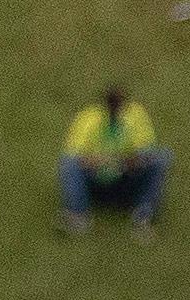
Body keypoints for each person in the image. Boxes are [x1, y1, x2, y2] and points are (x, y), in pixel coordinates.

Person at [59, 85, 167, 236]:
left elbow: (146, 152)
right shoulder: (89, 118)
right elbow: (73, 154)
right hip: (95, 180)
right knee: (69, 164)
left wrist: (124, 162)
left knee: (161, 158)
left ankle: (143, 214)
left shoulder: (136, 115)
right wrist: (97, 161)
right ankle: (78, 215)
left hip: (125, 178)